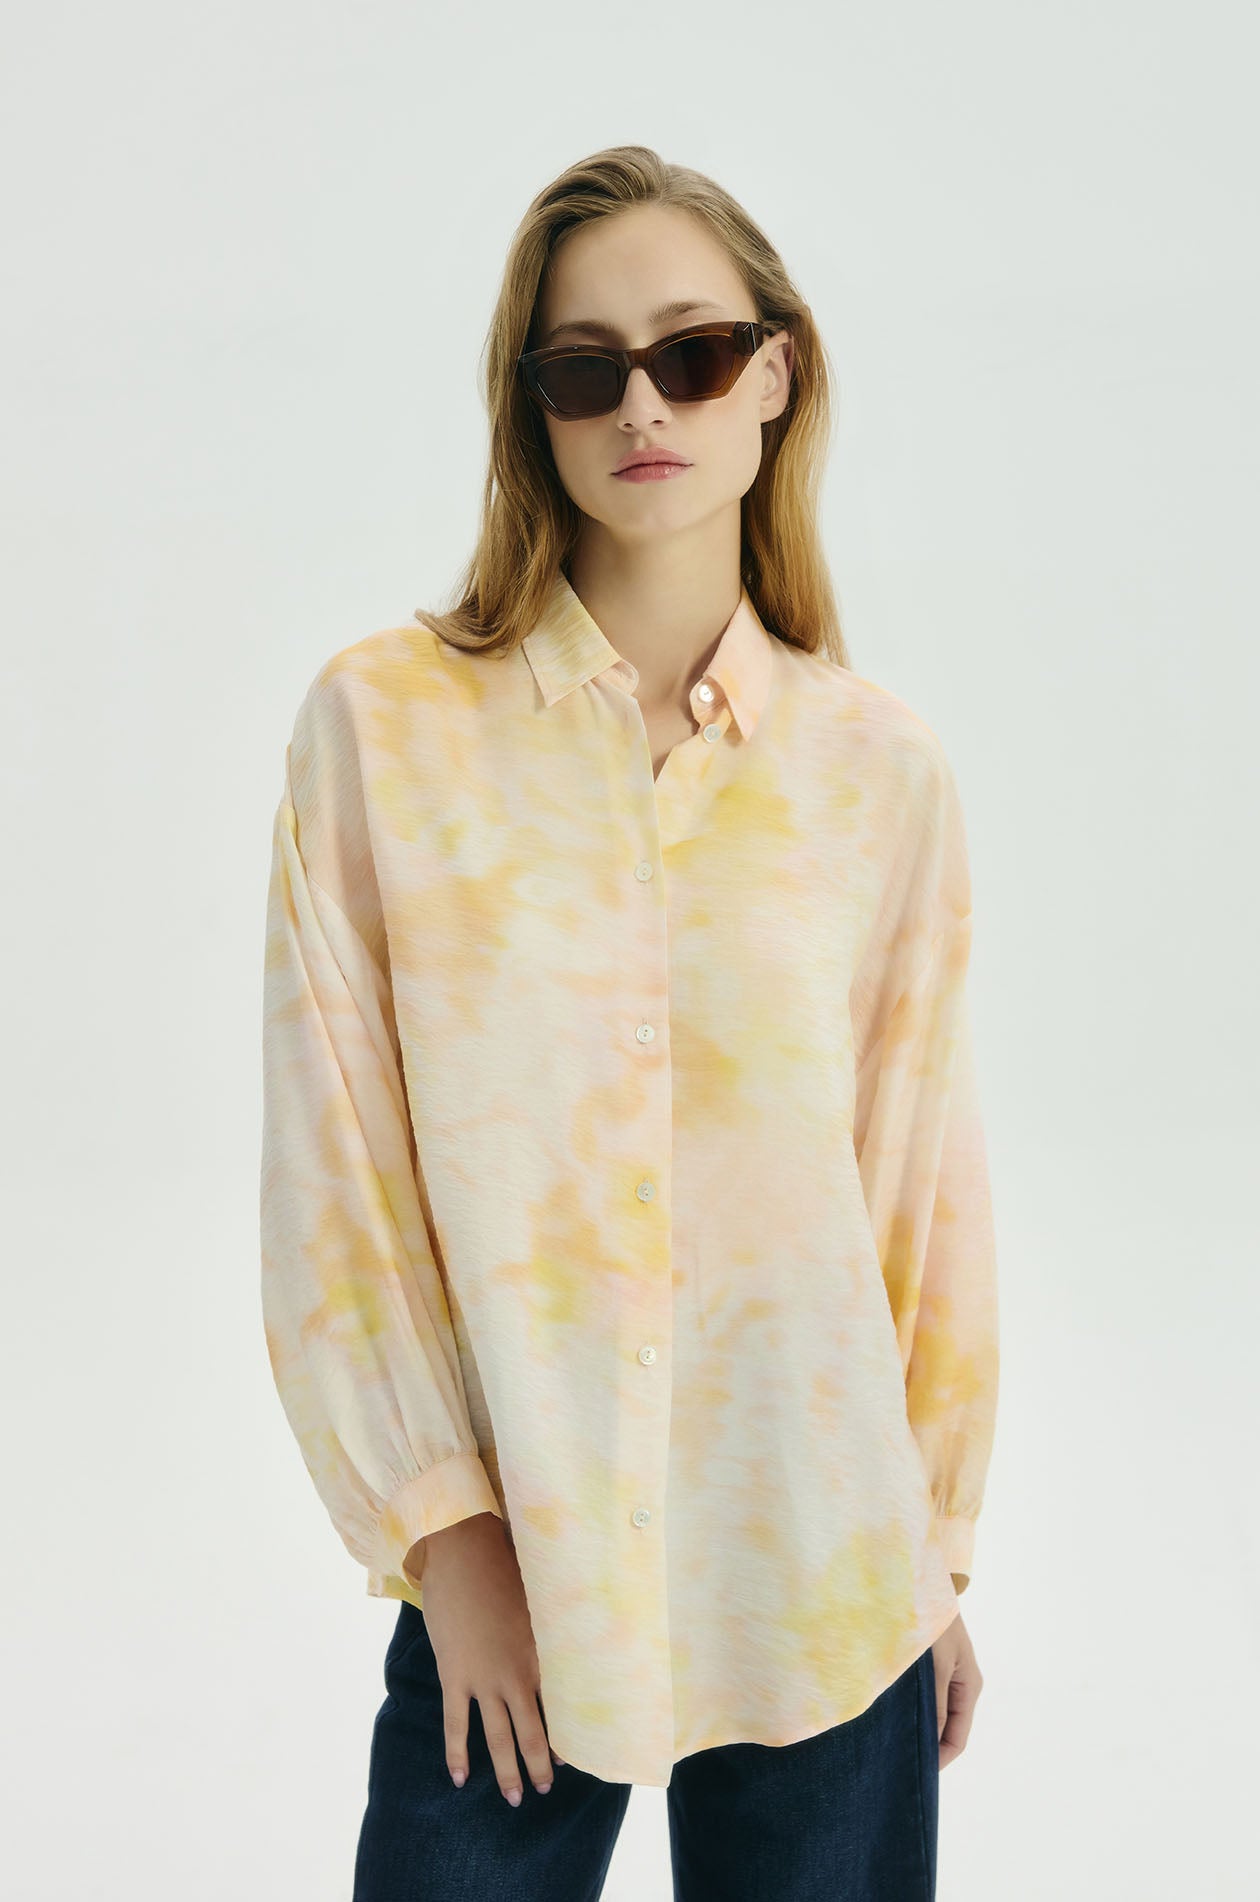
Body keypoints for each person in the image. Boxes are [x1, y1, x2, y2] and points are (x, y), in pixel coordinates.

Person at [260, 144, 999, 1902]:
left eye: (693, 352)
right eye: (584, 369)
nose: (643, 406)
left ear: (774, 374)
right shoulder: (386, 732)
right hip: (516, 1572)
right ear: (531, 407)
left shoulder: (877, 770)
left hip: (830, 1578)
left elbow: (914, 1192)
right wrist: (449, 1541)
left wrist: (935, 1557)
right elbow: (340, 1177)